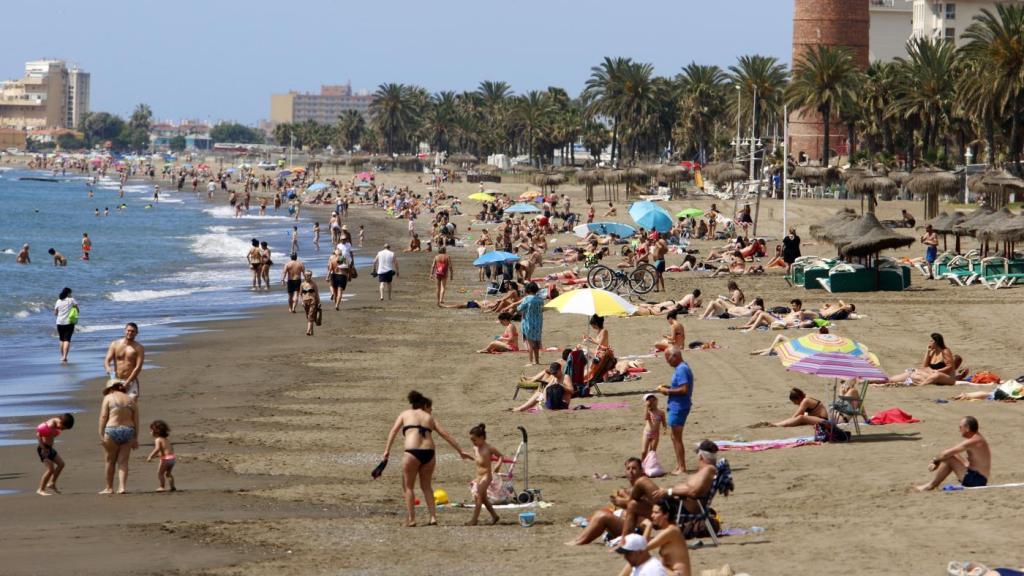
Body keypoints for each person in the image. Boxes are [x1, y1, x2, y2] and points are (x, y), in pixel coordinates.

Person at [382, 391, 471, 527]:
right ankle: (433, 518)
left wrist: (387, 450)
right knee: (427, 487)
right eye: (430, 408)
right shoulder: (430, 418)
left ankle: (412, 520)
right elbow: (445, 435)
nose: (431, 410)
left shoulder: (405, 414)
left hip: (412, 453)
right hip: (429, 453)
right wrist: (460, 451)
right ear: (424, 405)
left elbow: (393, 431)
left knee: (408, 487)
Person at [567, 457, 660, 545]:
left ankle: (578, 542)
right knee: (601, 513)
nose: (631, 471)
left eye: (634, 468)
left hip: (636, 530)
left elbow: (644, 512)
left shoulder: (644, 489)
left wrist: (623, 500)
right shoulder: (631, 490)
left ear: (641, 471)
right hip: (627, 526)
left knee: (602, 516)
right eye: (628, 469)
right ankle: (577, 540)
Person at [915, 416, 990, 491]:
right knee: (954, 454)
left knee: (949, 459)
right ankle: (931, 485)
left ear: (967, 428)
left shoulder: (974, 441)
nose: (959, 430)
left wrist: (934, 461)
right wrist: (938, 462)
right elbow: (951, 452)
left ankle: (930, 485)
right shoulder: (977, 438)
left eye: (960, 427)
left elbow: (945, 454)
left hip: (976, 480)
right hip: (978, 477)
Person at [652, 440, 719, 515]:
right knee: (637, 502)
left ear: (700, 457)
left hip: (682, 508)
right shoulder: (708, 471)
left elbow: (693, 492)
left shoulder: (709, 469)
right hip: (680, 504)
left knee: (642, 482)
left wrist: (668, 491)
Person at [99, 379, 139, 494]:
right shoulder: (131, 400)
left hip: (112, 429)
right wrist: (136, 437)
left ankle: (109, 487)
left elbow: (103, 417)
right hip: (128, 430)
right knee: (123, 462)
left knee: (110, 461)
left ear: (111, 389)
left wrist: (101, 433)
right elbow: (136, 420)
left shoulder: (108, 398)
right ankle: (122, 487)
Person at [658, 348, 693, 475]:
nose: (668, 362)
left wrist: (668, 391)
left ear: (675, 356)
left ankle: (682, 467)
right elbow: (681, 387)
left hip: (679, 406)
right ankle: (679, 465)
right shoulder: (682, 367)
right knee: (674, 437)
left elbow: (684, 389)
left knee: (677, 438)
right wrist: (669, 387)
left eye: (668, 359)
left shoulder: (681, 369)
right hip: (677, 405)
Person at [635, 500, 692, 576]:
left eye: (656, 513)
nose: (652, 515)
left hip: (677, 574)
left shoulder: (671, 531)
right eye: (652, 512)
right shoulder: (671, 529)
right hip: (672, 572)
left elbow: (642, 547)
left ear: (666, 515)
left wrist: (648, 526)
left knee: (644, 560)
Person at [885, 332, 958, 386]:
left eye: (931, 341)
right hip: (931, 375)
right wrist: (928, 351)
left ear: (936, 342)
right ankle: (889, 380)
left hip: (947, 377)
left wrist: (937, 371)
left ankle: (921, 385)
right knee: (912, 373)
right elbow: (924, 367)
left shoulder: (945, 351)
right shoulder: (932, 352)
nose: (929, 342)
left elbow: (950, 366)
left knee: (936, 375)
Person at [467, 423, 503, 526]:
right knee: (483, 498)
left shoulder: (489, 448)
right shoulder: (475, 448)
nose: (473, 442)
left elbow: (501, 456)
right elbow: (477, 459)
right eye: (471, 440)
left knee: (478, 495)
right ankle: (495, 516)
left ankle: (474, 520)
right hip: (478, 477)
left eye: (474, 440)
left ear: (482, 437)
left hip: (487, 476)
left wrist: (497, 466)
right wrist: (467, 456)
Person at [35, 413, 74, 496]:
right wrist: (43, 449)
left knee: (61, 464)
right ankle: (40, 489)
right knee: (50, 469)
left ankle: (52, 483)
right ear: (61, 422)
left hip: (49, 449)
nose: (62, 430)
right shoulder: (50, 424)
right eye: (63, 428)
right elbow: (38, 435)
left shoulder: (57, 423)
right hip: (43, 449)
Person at [750, 388, 829, 428]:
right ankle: (776, 424)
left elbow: (796, 416)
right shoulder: (806, 398)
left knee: (801, 417)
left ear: (798, 398)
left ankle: (776, 425)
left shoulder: (806, 401)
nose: (795, 404)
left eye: (795, 402)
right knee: (801, 418)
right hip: (817, 418)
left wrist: (781, 423)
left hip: (823, 420)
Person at [104, 323, 145, 399]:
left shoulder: (139, 348)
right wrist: (107, 367)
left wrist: (127, 383)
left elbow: (138, 367)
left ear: (136, 333)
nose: (130, 333)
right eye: (128, 330)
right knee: (114, 405)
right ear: (124, 331)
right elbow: (107, 359)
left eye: (133, 331)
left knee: (131, 405)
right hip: (116, 380)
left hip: (131, 380)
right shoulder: (115, 344)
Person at [517, 282, 545, 365]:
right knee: (536, 342)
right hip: (538, 323)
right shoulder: (540, 299)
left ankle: (530, 361)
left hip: (528, 322)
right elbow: (542, 309)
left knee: (529, 343)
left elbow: (519, 308)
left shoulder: (527, 298)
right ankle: (537, 361)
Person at [146, 420, 176, 492]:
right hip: (172, 458)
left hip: (165, 459)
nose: (150, 432)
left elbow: (157, 448)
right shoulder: (166, 440)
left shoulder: (158, 439)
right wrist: (160, 455)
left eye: (151, 430)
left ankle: (162, 487)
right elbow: (170, 449)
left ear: (156, 431)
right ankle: (172, 486)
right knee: (168, 474)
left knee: (160, 473)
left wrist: (150, 456)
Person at [54, 287, 79, 363]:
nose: (71, 294)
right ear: (68, 293)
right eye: (70, 293)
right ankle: (65, 356)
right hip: (69, 322)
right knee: (67, 340)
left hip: (59, 322)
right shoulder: (71, 300)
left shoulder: (58, 301)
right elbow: (77, 310)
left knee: (61, 340)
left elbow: (55, 313)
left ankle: (62, 356)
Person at [641, 394, 665, 459]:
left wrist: (664, 429)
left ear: (656, 400)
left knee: (652, 452)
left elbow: (664, 422)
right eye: (649, 400)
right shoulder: (648, 411)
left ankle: (649, 464)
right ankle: (642, 465)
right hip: (647, 433)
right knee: (643, 451)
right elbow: (646, 418)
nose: (651, 401)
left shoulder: (661, 412)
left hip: (655, 434)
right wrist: (646, 407)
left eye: (653, 399)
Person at [299, 270, 321, 336]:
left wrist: (319, 302)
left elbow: (317, 294)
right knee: (308, 316)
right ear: (304, 276)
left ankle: (308, 331)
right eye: (306, 275)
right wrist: (302, 302)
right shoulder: (302, 284)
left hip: (313, 301)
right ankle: (312, 331)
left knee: (310, 316)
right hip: (305, 302)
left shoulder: (313, 284)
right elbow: (300, 294)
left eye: (309, 275)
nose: (308, 277)